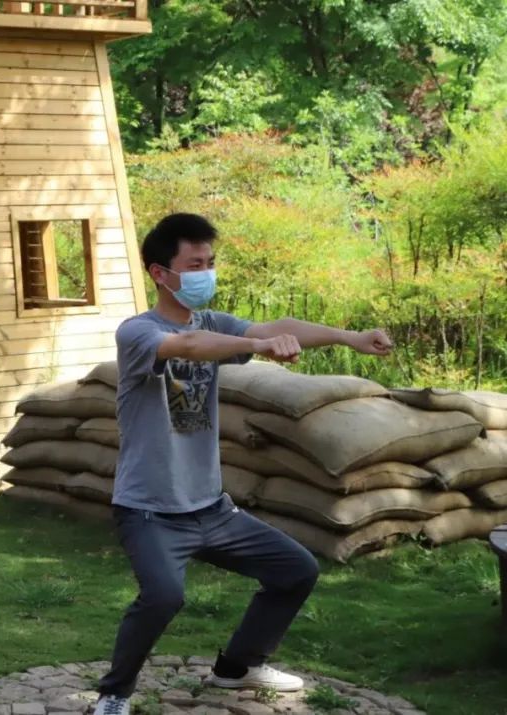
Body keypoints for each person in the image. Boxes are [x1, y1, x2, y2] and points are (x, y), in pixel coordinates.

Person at [92, 214, 394, 715]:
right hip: (150, 510)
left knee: (295, 570)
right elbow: (188, 346)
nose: (206, 273)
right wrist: (257, 347)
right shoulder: (138, 332)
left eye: (210, 262)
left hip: (211, 509)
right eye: (195, 265)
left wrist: (350, 337)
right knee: (163, 597)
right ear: (160, 273)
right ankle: (114, 695)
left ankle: (238, 667)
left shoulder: (214, 323)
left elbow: (280, 327)